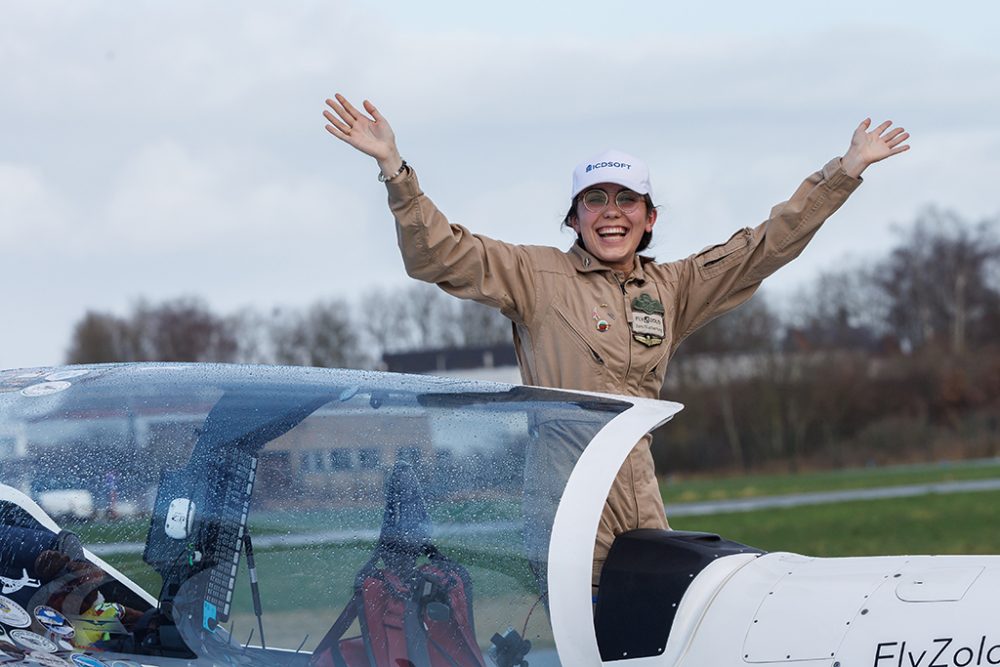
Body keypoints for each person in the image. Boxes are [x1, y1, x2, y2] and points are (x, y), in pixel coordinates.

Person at [322, 93, 910, 590]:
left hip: (641, 496)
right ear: (574, 218)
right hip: (565, 500)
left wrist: (845, 171)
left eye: (626, 200)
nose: (611, 213)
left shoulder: (673, 286)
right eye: (594, 200)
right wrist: (395, 170)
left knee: (654, 627)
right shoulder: (535, 275)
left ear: (649, 217)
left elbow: (765, 245)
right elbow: (439, 254)